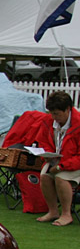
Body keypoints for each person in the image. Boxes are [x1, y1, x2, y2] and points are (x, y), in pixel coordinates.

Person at [35, 91, 80, 227]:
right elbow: (43, 141)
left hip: (75, 163)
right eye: (52, 113)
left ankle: (66, 214)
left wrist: (62, 166)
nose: (54, 117)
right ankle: (53, 211)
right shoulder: (48, 121)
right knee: (45, 176)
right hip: (57, 160)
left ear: (67, 110)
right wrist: (47, 156)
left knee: (61, 177)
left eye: (57, 114)